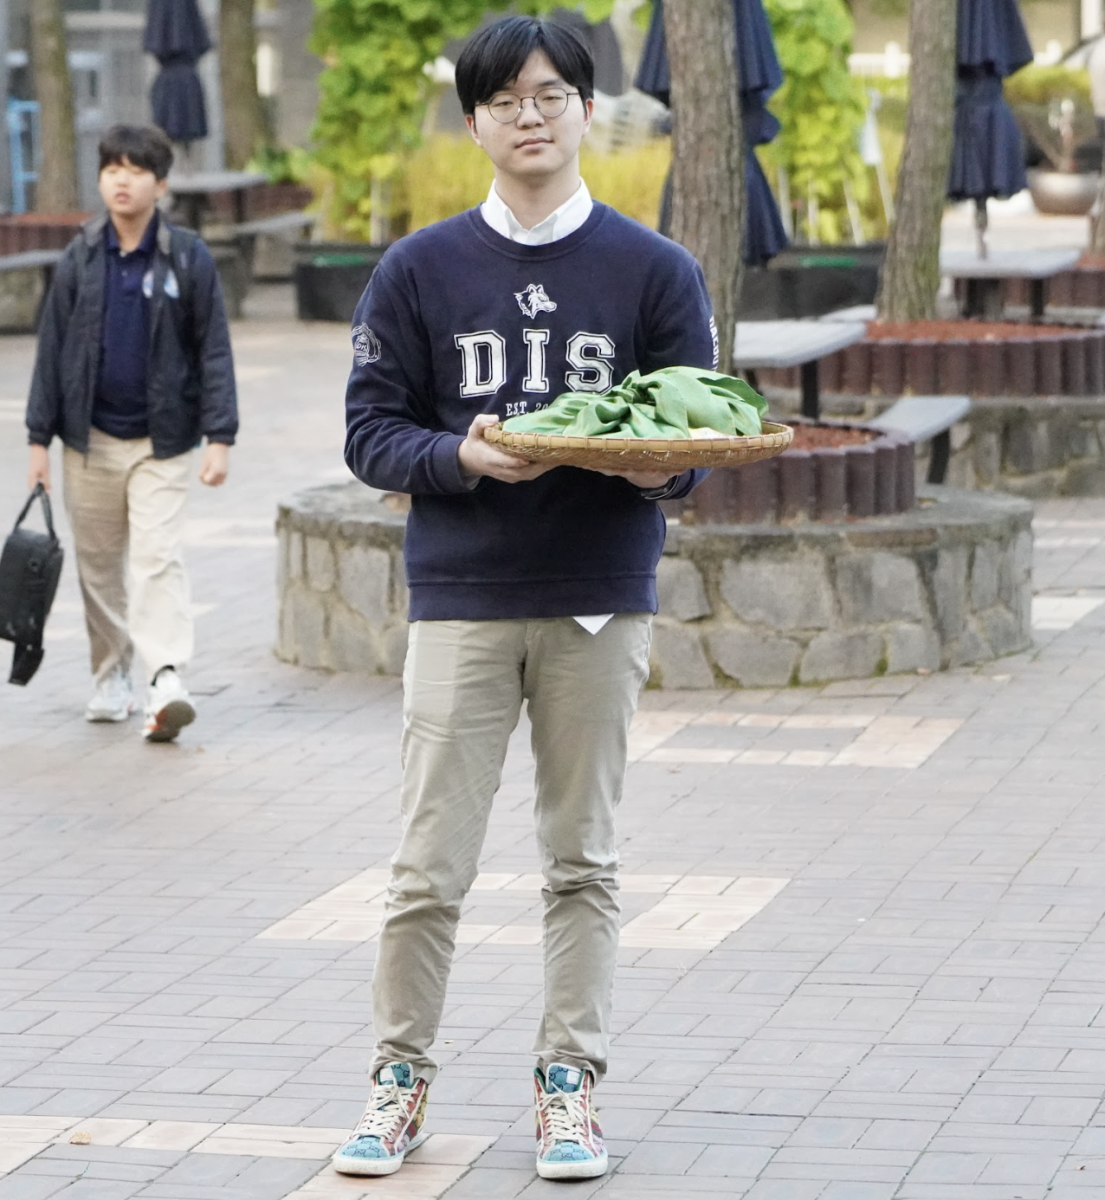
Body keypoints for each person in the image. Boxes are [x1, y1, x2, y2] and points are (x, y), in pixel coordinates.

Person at [334, 16, 715, 1183]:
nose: (530, 115)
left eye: (551, 94)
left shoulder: (655, 271)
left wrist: (662, 467)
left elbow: (696, 438)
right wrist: (462, 459)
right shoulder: (417, 269)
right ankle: (397, 1084)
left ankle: (569, 1089)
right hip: (461, 595)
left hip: (599, 594)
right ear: (476, 123)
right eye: (505, 99)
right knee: (425, 867)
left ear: (585, 110)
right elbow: (368, 433)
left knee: (583, 860)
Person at [24, 123, 237, 743]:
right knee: (98, 569)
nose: (121, 178)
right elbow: (51, 349)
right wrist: (39, 440)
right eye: (112, 168)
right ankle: (110, 673)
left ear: (161, 184)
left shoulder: (187, 256)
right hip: (86, 439)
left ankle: (165, 675)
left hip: (162, 441)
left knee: (155, 557)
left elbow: (213, 351)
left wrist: (219, 436)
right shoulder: (81, 253)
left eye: (135, 169)